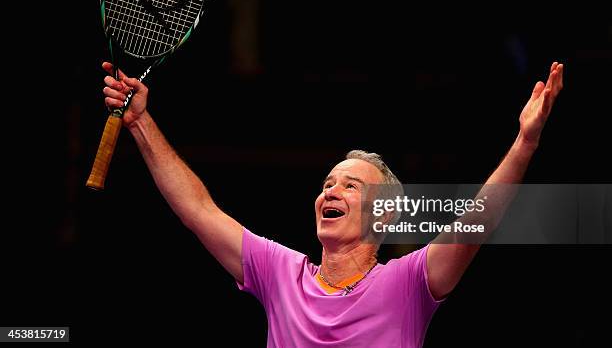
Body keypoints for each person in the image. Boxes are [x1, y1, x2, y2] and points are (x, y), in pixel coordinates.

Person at [100, 61, 563, 347]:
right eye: (327, 184)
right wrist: (141, 123)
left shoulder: (407, 285)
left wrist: (524, 142)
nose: (330, 192)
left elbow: (475, 223)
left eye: (350, 186)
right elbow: (198, 208)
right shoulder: (280, 273)